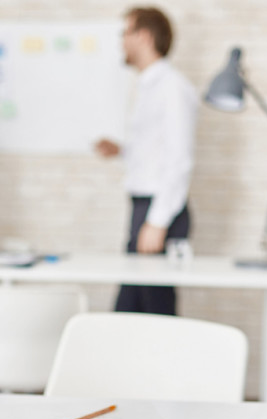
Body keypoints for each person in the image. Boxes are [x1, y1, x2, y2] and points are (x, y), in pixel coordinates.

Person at [95, 6, 198, 316]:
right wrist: (123, 150)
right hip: (145, 207)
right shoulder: (148, 86)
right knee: (132, 309)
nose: (121, 42)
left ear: (144, 36)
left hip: (160, 210)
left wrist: (157, 221)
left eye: (125, 33)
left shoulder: (172, 87)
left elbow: (179, 160)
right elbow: (158, 150)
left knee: (152, 313)